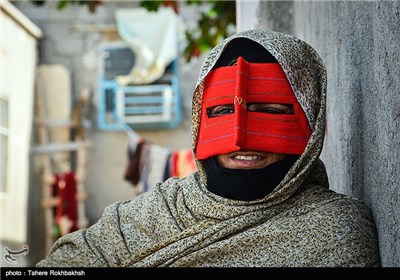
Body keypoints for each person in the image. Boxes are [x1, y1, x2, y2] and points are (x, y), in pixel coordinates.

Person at [36, 29, 380, 267]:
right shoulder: (155, 213)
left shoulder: (336, 230)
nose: (240, 136)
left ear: (312, 118)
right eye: (220, 112)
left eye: (271, 112)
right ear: (201, 121)